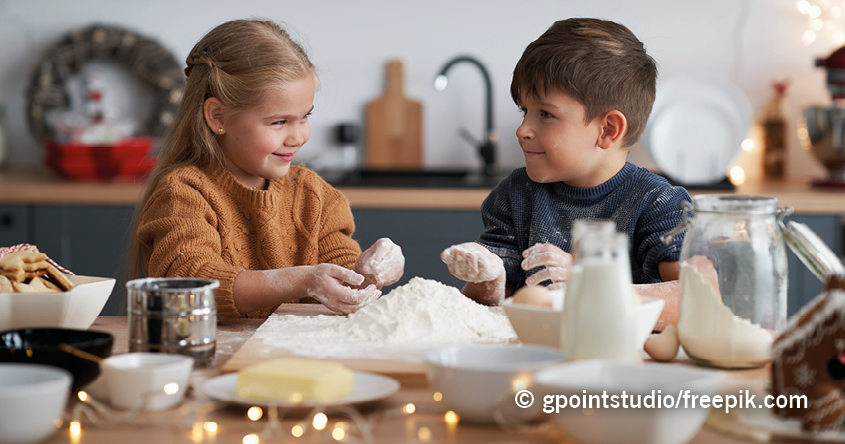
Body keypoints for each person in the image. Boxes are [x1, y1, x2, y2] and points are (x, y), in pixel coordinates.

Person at [129, 19, 404, 319]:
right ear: (218, 116)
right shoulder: (184, 192)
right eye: (279, 122)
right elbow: (187, 281)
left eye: (304, 117)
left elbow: (341, 276)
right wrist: (300, 281)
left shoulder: (314, 195)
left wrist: (368, 272)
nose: (298, 136)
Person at [440, 18, 690, 329]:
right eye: (524, 111)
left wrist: (593, 287)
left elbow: (697, 297)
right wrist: (487, 274)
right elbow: (484, 309)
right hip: (531, 364)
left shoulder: (658, 203)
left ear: (608, 129)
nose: (522, 130)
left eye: (545, 114)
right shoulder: (516, 195)